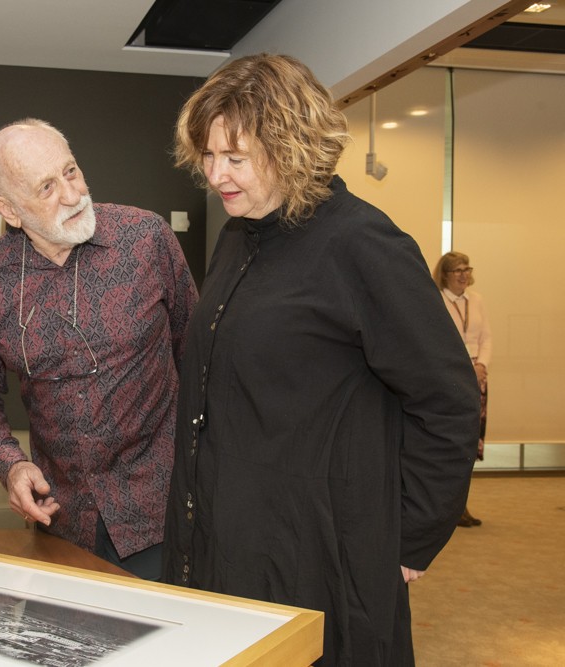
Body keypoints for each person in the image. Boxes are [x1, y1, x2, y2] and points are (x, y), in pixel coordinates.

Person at [161, 54, 480, 664]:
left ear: (291, 146)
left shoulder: (362, 242)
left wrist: (410, 539)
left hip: (322, 556)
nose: (216, 174)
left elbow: (448, 401)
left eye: (236, 157)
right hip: (230, 540)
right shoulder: (239, 237)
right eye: (207, 155)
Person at [0, 118, 198, 580]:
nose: (71, 194)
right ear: (8, 209)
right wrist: (11, 465)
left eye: (71, 171)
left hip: (161, 509)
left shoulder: (146, 238)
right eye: (46, 187)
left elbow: (199, 354)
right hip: (64, 520)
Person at [433, 251, 492, 528]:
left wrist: (481, 365)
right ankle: (449, 508)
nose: (464, 274)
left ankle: (462, 505)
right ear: (445, 274)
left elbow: (486, 337)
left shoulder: (477, 300)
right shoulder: (437, 300)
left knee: (471, 440)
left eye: (467, 268)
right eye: (457, 270)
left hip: (477, 378)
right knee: (451, 442)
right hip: (451, 378)